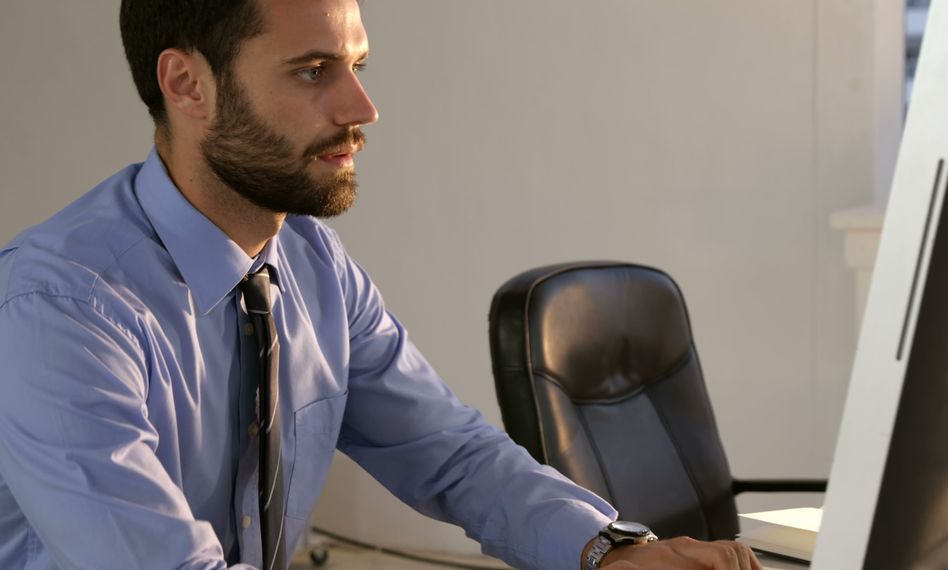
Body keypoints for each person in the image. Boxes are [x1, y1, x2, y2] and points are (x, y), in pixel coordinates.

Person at [0, 1, 762, 569]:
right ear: (187, 84)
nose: (361, 109)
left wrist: (608, 553)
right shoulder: (58, 308)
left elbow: (451, 455)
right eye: (313, 71)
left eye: (356, 66)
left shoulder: (311, 262)